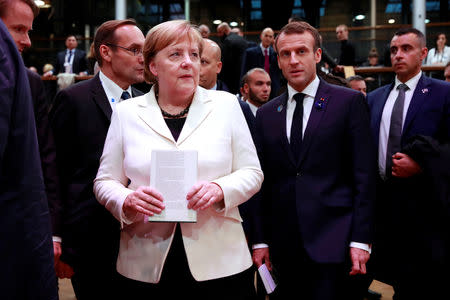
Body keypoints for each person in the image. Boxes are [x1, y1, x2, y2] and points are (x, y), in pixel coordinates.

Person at [94, 19, 263, 300]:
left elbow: (252, 172)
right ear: (152, 66)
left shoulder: (227, 105)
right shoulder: (126, 112)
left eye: (194, 55)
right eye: (175, 54)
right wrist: (126, 200)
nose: (188, 63)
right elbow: (105, 181)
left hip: (220, 259)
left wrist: (221, 189)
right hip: (145, 257)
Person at [252, 21, 376, 300]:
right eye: (285, 54)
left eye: (301, 51)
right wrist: (260, 239)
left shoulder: (348, 103)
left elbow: (364, 177)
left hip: (336, 242)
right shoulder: (267, 113)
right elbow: (261, 182)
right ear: (278, 61)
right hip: (283, 248)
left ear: (317, 55)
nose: (294, 60)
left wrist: (361, 239)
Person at [50, 19, 145, 300]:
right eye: (134, 50)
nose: (142, 59)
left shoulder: (146, 102)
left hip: (142, 239)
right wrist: (61, 240)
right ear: (106, 52)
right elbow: (58, 173)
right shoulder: (73, 99)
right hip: (90, 240)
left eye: (145, 51)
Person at [367, 28, 450, 300]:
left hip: (425, 210)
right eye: (393, 50)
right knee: (392, 282)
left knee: (424, 286)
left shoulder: (442, 93)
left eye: (406, 48)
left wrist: (423, 166)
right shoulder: (374, 98)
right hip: (383, 209)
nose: (398, 55)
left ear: (423, 53)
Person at [0, 1, 57, 299]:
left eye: (28, 30)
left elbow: (47, 159)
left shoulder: (28, 80)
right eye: (18, 29)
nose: (27, 40)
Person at [241, 27, 281, 98]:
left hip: (273, 90)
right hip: (255, 88)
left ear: (273, 39)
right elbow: (244, 72)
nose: (268, 38)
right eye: (266, 35)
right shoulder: (250, 52)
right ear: (261, 36)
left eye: (270, 36)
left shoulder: (275, 53)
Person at [217, 22, 249, 94]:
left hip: (231, 80)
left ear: (225, 30)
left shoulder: (227, 41)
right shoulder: (242, 39)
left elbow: (225, 63)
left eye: (219, 32)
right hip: (243, 76)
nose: (218, 35)